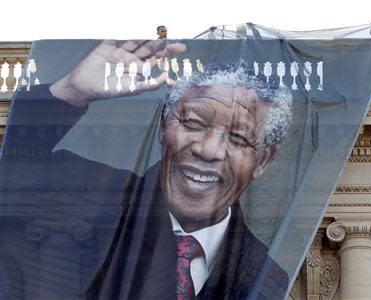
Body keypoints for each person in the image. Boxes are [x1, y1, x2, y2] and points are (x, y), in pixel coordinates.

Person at [0, 40, 291, 299]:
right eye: (193, 124)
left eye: (238, 138)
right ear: (163, 127)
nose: (208, 150)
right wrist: (69, 93)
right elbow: (11, 169)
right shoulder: (91, 192)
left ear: (263, 160)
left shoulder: (267, 277)